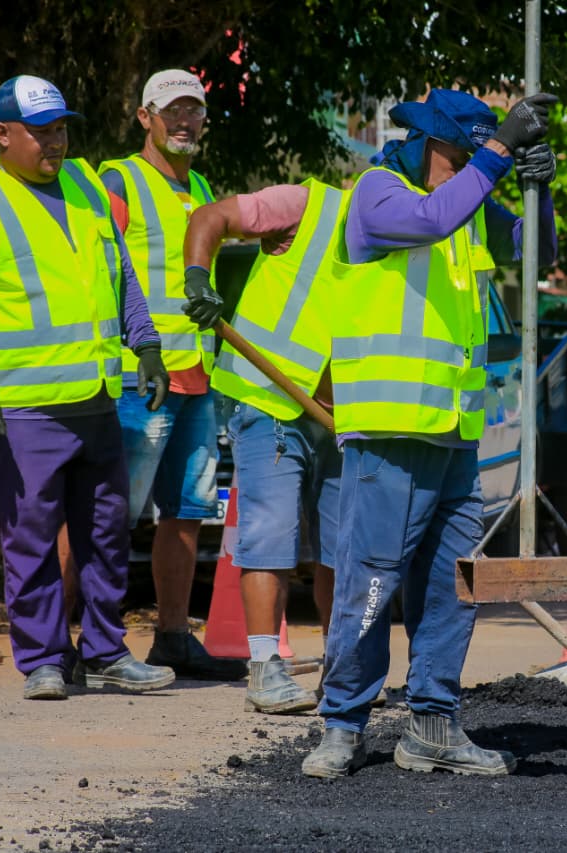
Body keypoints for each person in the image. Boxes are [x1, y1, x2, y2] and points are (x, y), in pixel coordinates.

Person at [302, 88, 559, 778]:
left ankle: (433, 724)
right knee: (372, 587)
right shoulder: (377, 193)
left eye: (474, 155)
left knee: (451, 589)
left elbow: (537, 255)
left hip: (453, 440)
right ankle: (342, 724)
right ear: (421, 142)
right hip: (388, 437)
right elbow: (430, 220)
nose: (466, 167)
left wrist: (540, 194)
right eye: (459, 153)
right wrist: (501, 152)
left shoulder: (468, 196)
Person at [0, 75, 176, 700]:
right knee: (32, 541)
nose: (55, 143)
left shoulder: (85, 186)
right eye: (41, 132)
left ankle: (103, 652)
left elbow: (120, 273)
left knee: (105, 535)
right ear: (2, 134)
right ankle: (44, 659)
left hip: (97, 401)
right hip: (26, 411)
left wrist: (147, 345)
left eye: (61, 129)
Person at [84, 69, 243, 681]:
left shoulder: (200, 185)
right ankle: (84, 647)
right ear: (143, 116)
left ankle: (174, 637)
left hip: (196, 376)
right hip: (137, 379)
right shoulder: (119, 179)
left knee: (184, 512)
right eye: (171, 110)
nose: (184, 121)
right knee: (105, 515)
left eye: (194, 110)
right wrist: (136, 345)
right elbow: (101, 270)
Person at [182, 179, 346, 713]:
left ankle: (341, 668)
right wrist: (197, 280)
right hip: (268, 399)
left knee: (341, 547)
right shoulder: (307, 206)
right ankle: (264, 669)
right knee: (271, 535)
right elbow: (209, 217)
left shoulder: (405, 236)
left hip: (345, 411)